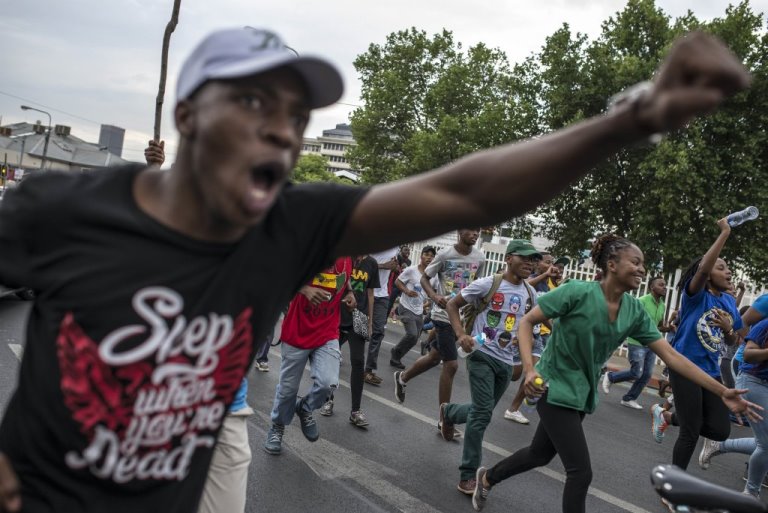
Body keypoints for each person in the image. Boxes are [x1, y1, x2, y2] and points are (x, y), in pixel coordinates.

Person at [0, 27, 753, 513]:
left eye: (297, 116)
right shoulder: (63, 208)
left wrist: (635, 116)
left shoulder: (292, 223)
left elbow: (465, 189)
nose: (281, 127)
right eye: (255, 99)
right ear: (189, 114)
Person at [470, 234, 760, 513]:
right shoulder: (577, 292)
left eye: (643, 264)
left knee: (540, 454)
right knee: (580, 473)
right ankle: (488, 478)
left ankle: (488, 477)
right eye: (635, 262)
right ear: (611, 265)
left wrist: (722, 391)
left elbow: (671, 356)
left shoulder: (633, 311)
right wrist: (530, 368)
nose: (642, 269)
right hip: (551, 386)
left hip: (582, 393)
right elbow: (526, 322)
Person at [441, 240, 539, 494]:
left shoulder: (530, 294)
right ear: (509, 258)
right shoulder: (489, 284)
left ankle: (449, 413)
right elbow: (452, 304)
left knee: (479, 410)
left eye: (533, 260)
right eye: (525, 258)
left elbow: (529, 327)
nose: (530, 264)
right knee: (483, 414)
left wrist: (523, 359)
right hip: (481, 352)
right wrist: (461, 333)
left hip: (506, 361)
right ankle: (467, 474)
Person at [668, 219, 743, 471]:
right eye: (721, 268)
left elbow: (733, 340)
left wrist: (728, 329)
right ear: (708, 273)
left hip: (710, 372)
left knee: (720, 431)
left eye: (728, 268)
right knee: (689, 434)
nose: (728, 272)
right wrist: (725, 232)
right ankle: (673, 486)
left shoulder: (729, 302)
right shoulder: (695, 296)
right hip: (685, 367)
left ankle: (671, 415)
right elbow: (701, 270)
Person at [394, 229, 485, 428]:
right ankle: (445, 419)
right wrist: (435, 298)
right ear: (461, 230)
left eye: (477, 230)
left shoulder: (480, 258)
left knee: (435, 357)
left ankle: (403, 377)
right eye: (470, 228)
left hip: (462, 318)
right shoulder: (445, 254)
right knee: (451, 365)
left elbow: (477, 285)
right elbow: (424, 278)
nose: (475, 233)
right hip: (443, 315)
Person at [264, 257, 355, 455]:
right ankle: (277, 426)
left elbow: (344, 281)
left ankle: (305, 408)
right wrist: (305, 289)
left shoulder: (348, 257)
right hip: (297, 331)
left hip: (327, 332)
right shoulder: (310, 247)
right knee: (288, 389)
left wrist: (349, 293)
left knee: (328, 383)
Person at [320, 254, 380, 427]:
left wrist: (369, 322)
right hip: (336, 316)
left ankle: (355, 411)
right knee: (331, 359)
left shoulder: (371, 263)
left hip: (358, 317)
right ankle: (327, 400)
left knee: (358, 361)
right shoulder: (344, 258)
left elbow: (370, 294)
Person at [602, 276, 671, 409]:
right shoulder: (641, 301)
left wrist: (668, 328)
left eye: (665, 285)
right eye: (661, 285)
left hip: (651, 344)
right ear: (652, 287)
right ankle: (611, 376)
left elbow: (659, 326)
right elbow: (631, 320)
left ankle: (629, 398)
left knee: (646, 374)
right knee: (636, 372)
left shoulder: (662, 305)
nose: (664, 287)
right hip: (637, 341)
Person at [389, 246, 437, 368]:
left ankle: (397, 355)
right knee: (412, 334)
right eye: (426, 255)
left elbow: (433, 292)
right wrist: (407, 291)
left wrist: (430, 301)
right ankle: (396, 353)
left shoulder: (433, 276)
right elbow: (397, 282)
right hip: (405, 307)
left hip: (419, 310)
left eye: (432, 256)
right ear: (421, 256)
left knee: (415, 338)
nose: (429, 258)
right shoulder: (411, 270)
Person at [363, 248, 399, 385]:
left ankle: (368, 370)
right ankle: (332, 352)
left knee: (378, 332)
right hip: (364, 291)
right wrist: (384, 266)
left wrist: (395, 268)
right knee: (354, 328)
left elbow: (393, 268)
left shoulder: (397, 247)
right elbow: (360, 263)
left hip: (382, 294)